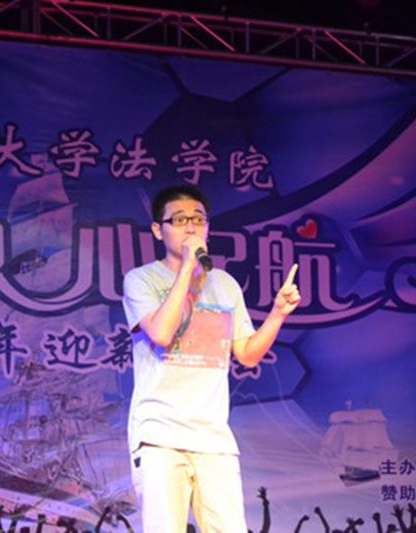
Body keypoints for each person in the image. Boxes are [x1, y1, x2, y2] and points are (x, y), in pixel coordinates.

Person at [122, 185, 301, 532]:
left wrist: (278, 313)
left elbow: (247, 354)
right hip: (159, 435)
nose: (191, 227)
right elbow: (161, 333)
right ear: (158, 230)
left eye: (198, 219)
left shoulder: (225, 284)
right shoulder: (141, 280)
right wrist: (187, 270)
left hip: (213, 437)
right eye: (179, 220)